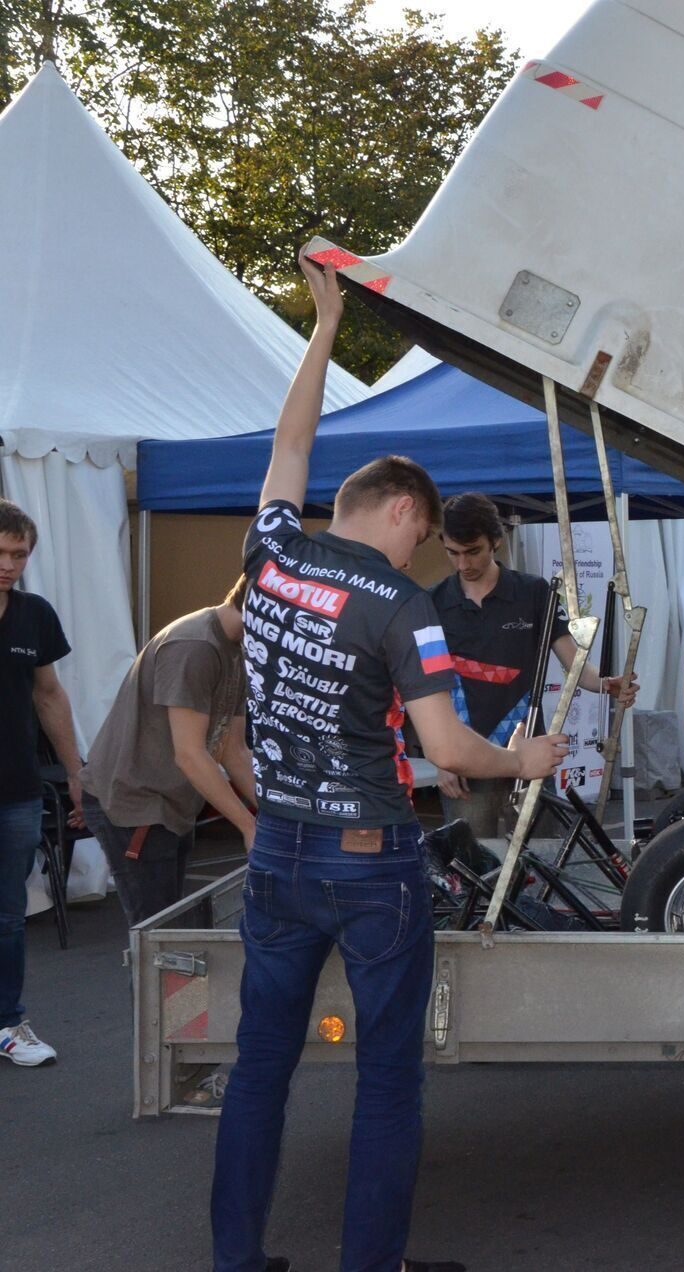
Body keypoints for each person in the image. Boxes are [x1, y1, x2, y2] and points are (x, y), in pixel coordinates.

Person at [210, 258, 569, 1272]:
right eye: (425, 536)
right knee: (386, 1082)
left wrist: (322, 326)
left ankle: (235, 1262)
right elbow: (448, 749)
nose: (422, 555)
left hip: (276, 848)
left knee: (259, 1071)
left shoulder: (271, 554)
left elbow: (289, 444)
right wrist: (523, 757)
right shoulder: (405, 607)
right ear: (407, 510)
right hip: (369, 861)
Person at [431, 492, 636, 836]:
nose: (463, 564)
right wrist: (442, 759)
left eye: (473, 551)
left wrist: (605, 684)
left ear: (496, 540)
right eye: (453, 552)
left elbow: (573, 661)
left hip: (529, 752)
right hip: (466, 761)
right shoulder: (432, 601)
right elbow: (427, 691)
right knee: (471, 862)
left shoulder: (533, 592)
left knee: (539, 855)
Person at [81, 574, 255, 929]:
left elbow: (232, 749)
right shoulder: (195, 646)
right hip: (136, 802)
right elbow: (189, 754)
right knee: (159, 936)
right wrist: (248, 825)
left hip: (171, 802)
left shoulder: (235, 648)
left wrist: (276, 815)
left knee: (176, 930)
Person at [0, 497, 85, 1068]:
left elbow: (49, 695)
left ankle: (8, 1023)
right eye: (1, 552)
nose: (9, 564)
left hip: (16, 791)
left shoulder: (34, 614)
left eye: (19, 554)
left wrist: (77, 773)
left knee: (8, 916)